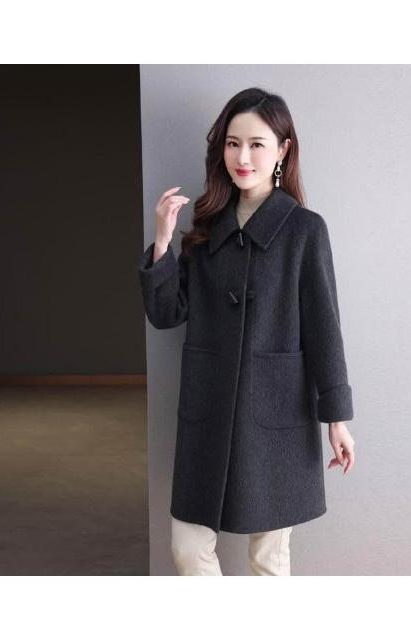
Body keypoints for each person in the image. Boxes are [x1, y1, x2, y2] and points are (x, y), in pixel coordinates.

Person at [138, 87, 355, 576]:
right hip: (208, 410)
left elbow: (324, 328)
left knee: (268, 559)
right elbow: (167, 314)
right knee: (188, 547)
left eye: (257, 144)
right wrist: (163, 242)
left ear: (282, 150)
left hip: (278, 413)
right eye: (233, 143)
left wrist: (337, 418)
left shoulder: (304, 231)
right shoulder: (206, 228)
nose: (242, 157)